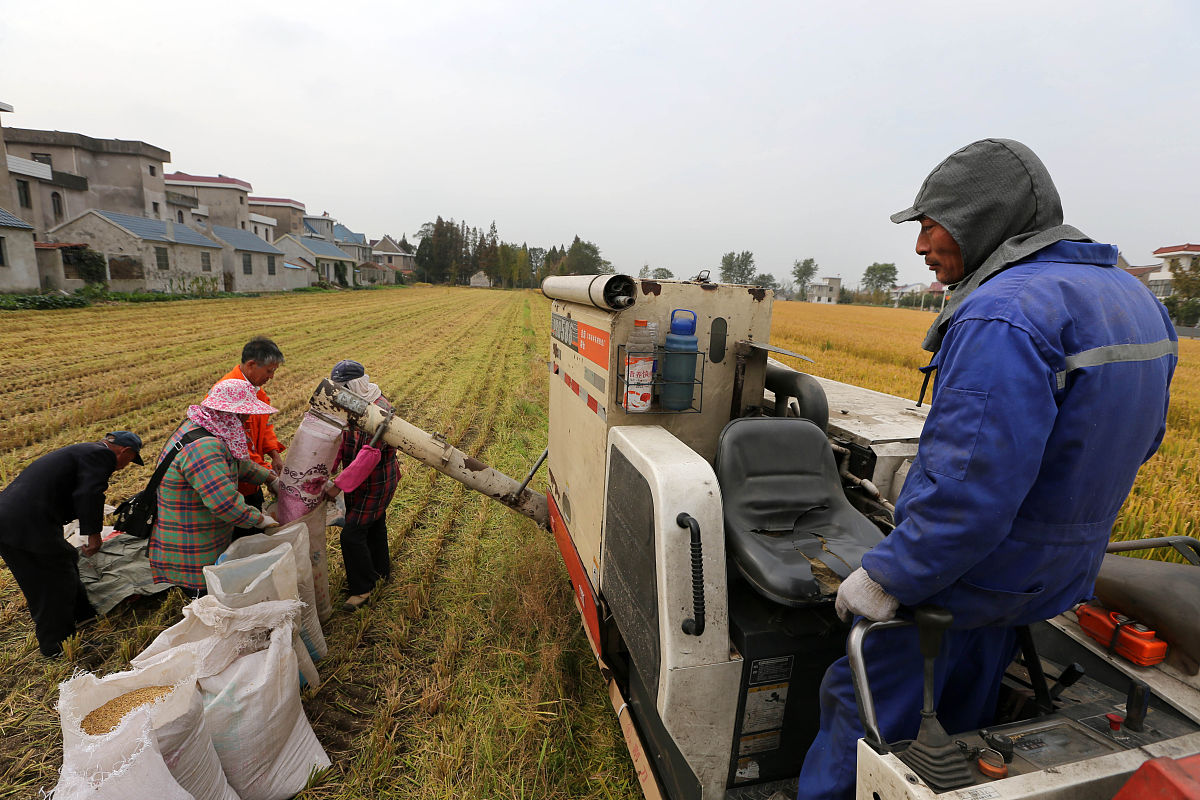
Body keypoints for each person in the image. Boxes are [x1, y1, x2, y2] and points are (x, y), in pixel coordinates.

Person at [797, 139, 1178, 799]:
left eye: (931, 223)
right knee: (961, 712)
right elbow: (1145, 442)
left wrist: (888, 576)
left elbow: (968, 493)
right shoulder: (1135, 300)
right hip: (1051, 578)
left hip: (967, 576)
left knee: (866, 717)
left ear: (981, 217)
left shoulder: (1004, 311)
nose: (921, 245)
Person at [0, 432, 144, 656]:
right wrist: (93, 534)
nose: (126, 466)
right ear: (125, 451)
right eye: (131, 460)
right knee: (52, 581)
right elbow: (89, 493)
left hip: (11, 518)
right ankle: (56, 646)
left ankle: (83, 615)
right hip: (28, 521)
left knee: (60, 563)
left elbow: (76, 492)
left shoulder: (84, 451)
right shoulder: (102, 455)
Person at [149, 379, 280, 594]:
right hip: (192, 545)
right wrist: (260, 520)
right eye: (244, 414)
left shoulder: (203, 426)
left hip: (199, 530)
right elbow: (224, 504)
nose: (247, 419)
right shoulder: (204, 447)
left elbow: (232, 462)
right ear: (231, 414)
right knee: (206, 598)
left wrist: (268, 478)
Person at [323, 360, 399, 611]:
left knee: (352, 534)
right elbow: (343, 436)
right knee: (374, 524)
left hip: (377, 481)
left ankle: (362, 589)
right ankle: (381, 571)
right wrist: (331, 466)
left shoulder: (380, 410)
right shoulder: (353, 403)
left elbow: (368, 456)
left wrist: (337, 486)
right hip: (358, 481)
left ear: (355, 385)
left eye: (343, 387)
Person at [216, 336, 286, 539]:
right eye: (269, 371)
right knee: (241, 538)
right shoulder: (229, 396)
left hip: (252, 480)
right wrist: (269, 476)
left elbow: (264, 426)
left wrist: (274, 454)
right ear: (251, 365)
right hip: (234, 487)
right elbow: (239, 450)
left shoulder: (256, 392)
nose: (271, 377)